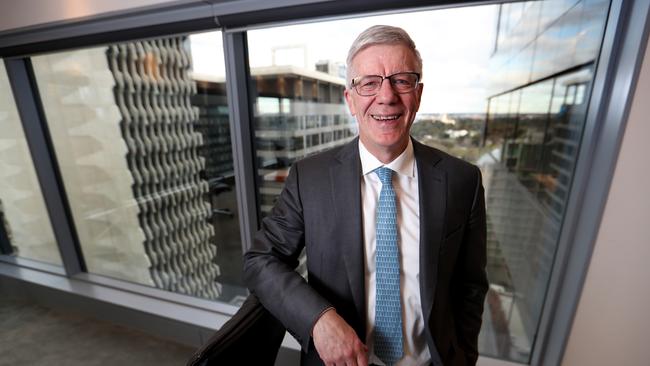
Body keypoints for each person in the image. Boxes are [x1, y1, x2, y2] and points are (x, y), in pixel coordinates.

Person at [244, 25, 488, 366]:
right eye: (369, 83)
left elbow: (470, 286)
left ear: (417, 94)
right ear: (351, 100)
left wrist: (463, 357)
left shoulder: (463, 181)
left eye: (401, 80)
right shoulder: (309, 178)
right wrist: (318, 319)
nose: (386, 96)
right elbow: (261, 260)